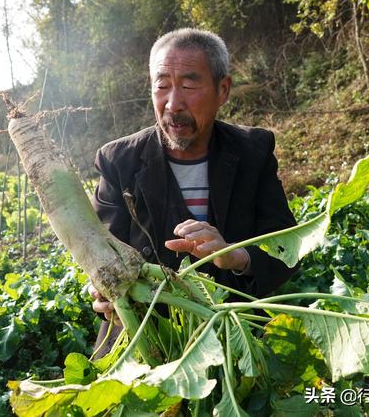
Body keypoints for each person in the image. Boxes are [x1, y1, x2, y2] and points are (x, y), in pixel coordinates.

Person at [89, 28, 297, 354]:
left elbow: (287, 249)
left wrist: (235, 256)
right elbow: (98, 253)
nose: (173, 103)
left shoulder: (252, 152)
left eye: (189, 85)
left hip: (235, 331)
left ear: (222, 90)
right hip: (143, 338)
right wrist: (103, 292)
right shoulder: (118, 161)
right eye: (162, 86)